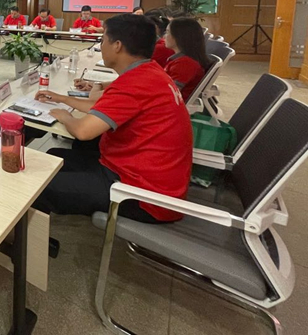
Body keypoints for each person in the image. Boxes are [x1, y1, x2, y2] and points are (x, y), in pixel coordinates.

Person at [32, 14, 192, 223]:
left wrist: (65, 116)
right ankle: (37, 227)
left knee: (37, 185)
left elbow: (83, 131)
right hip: (136, 172)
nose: (101, 46)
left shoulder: (136, 83)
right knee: (53, 157)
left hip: (143, 195)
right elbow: (102, 108)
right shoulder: (149, 71)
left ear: (117, 45)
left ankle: (27, 240)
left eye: (102, 40)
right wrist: (61, 98)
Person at [164, 17, 210, 101]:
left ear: (179, 36)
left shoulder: (185, 64)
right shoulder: (182, 60)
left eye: (167, 32)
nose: (164, 36)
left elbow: (170, 94)